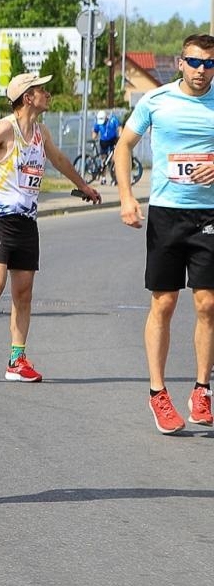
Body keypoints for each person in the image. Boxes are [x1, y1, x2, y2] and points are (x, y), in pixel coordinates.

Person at [0, 73, 100, 385]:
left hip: (27, 221)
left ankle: (16, 359)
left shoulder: (41, 132)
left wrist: (82, 185)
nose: (48, 94)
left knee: (24, 292)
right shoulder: (6, 128)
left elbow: (57, 159)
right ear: (27, 97)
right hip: (0, 219)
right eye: (42, 90)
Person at [115, 33, 214, 434]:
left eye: (209, 64)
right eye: (195, 62)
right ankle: (158, 392)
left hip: (208, 213)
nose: (201, 71)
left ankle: (202, 389)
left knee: (207, 304)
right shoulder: (156, 101)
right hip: (166, 215)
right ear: (180, 62)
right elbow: (124, 146)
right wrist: (126, 196)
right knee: (165, 303)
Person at [94, 109, 121, 177]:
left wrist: (120, 135)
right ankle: (103, 177)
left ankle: (114, 176)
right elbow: (95, 131)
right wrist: (94, 137)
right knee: (103, 160)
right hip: (103, 141)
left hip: (113, 140)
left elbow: (119, 127)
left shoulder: (113, 120)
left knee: (113, 159)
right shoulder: (98, 123)